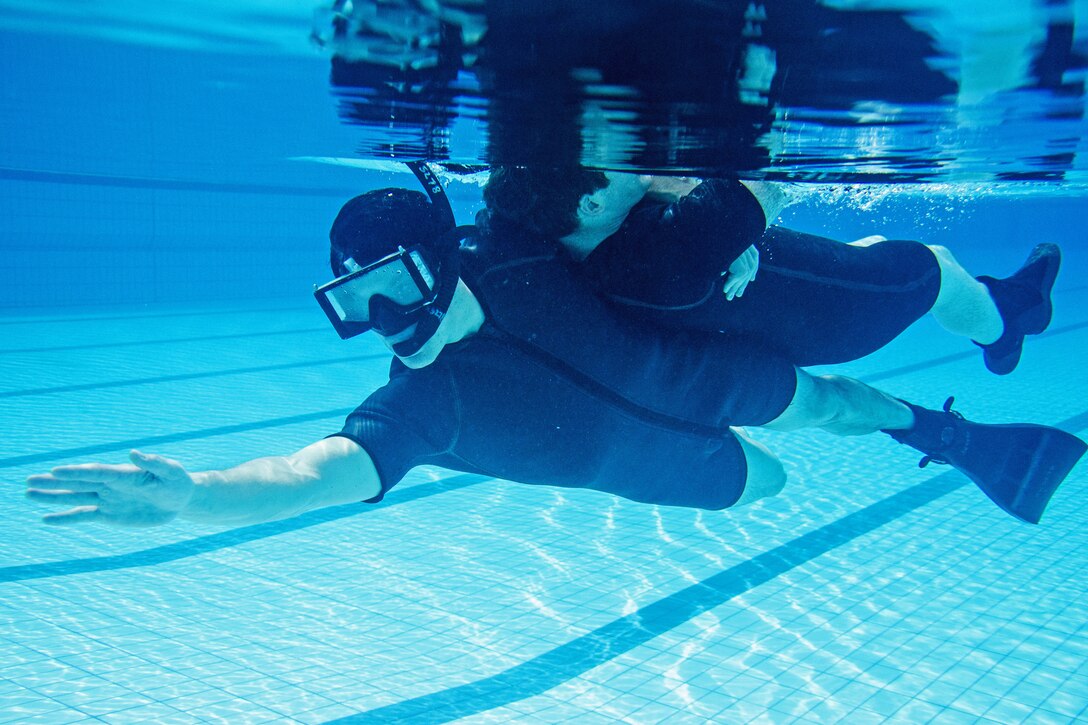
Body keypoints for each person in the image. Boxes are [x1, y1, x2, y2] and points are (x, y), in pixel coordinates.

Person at [26, 178, 1085, 532]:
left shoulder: (519, 242)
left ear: (444, 256)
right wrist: (199, 495)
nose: (386, 319)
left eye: (393, 284)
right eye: (355, 305)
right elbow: (321, 471)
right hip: (683, 469)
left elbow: (610, 182)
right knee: (765, 481)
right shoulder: (423, 405)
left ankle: (953, 425)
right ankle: (953, 410)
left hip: (722, 366)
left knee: (828, 403)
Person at [483, 167, 1061, 374]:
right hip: (836, 315)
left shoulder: (565, 240)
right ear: (588, 204)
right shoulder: (665, 249)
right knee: (931, 265)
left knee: (875, 241)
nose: (620, 151)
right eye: (600, 156)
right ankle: (1008, 326)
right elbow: (767, 175)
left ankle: (1002, 314)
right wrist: (731, 223)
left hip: (787, 308)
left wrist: (735, 232)